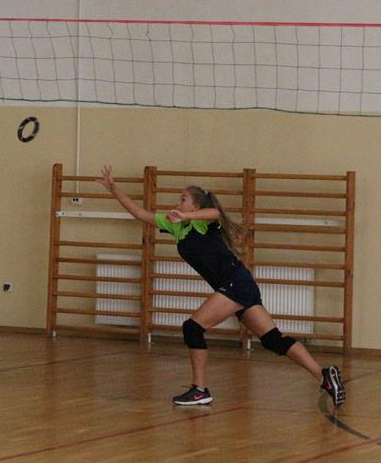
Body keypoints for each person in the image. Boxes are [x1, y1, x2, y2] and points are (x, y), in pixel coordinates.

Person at [96, 165, 345, 407]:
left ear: (195, 206)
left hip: (235, 283)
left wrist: (187, 216)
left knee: (193, 328)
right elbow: (141, 214)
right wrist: (114, 190)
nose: (178, 202)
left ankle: (199, 390)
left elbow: (214, 213)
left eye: (183, 199)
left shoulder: (200, 222)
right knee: (273, 340)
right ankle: (324, 375)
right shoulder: (177, 226)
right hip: (240, 285)